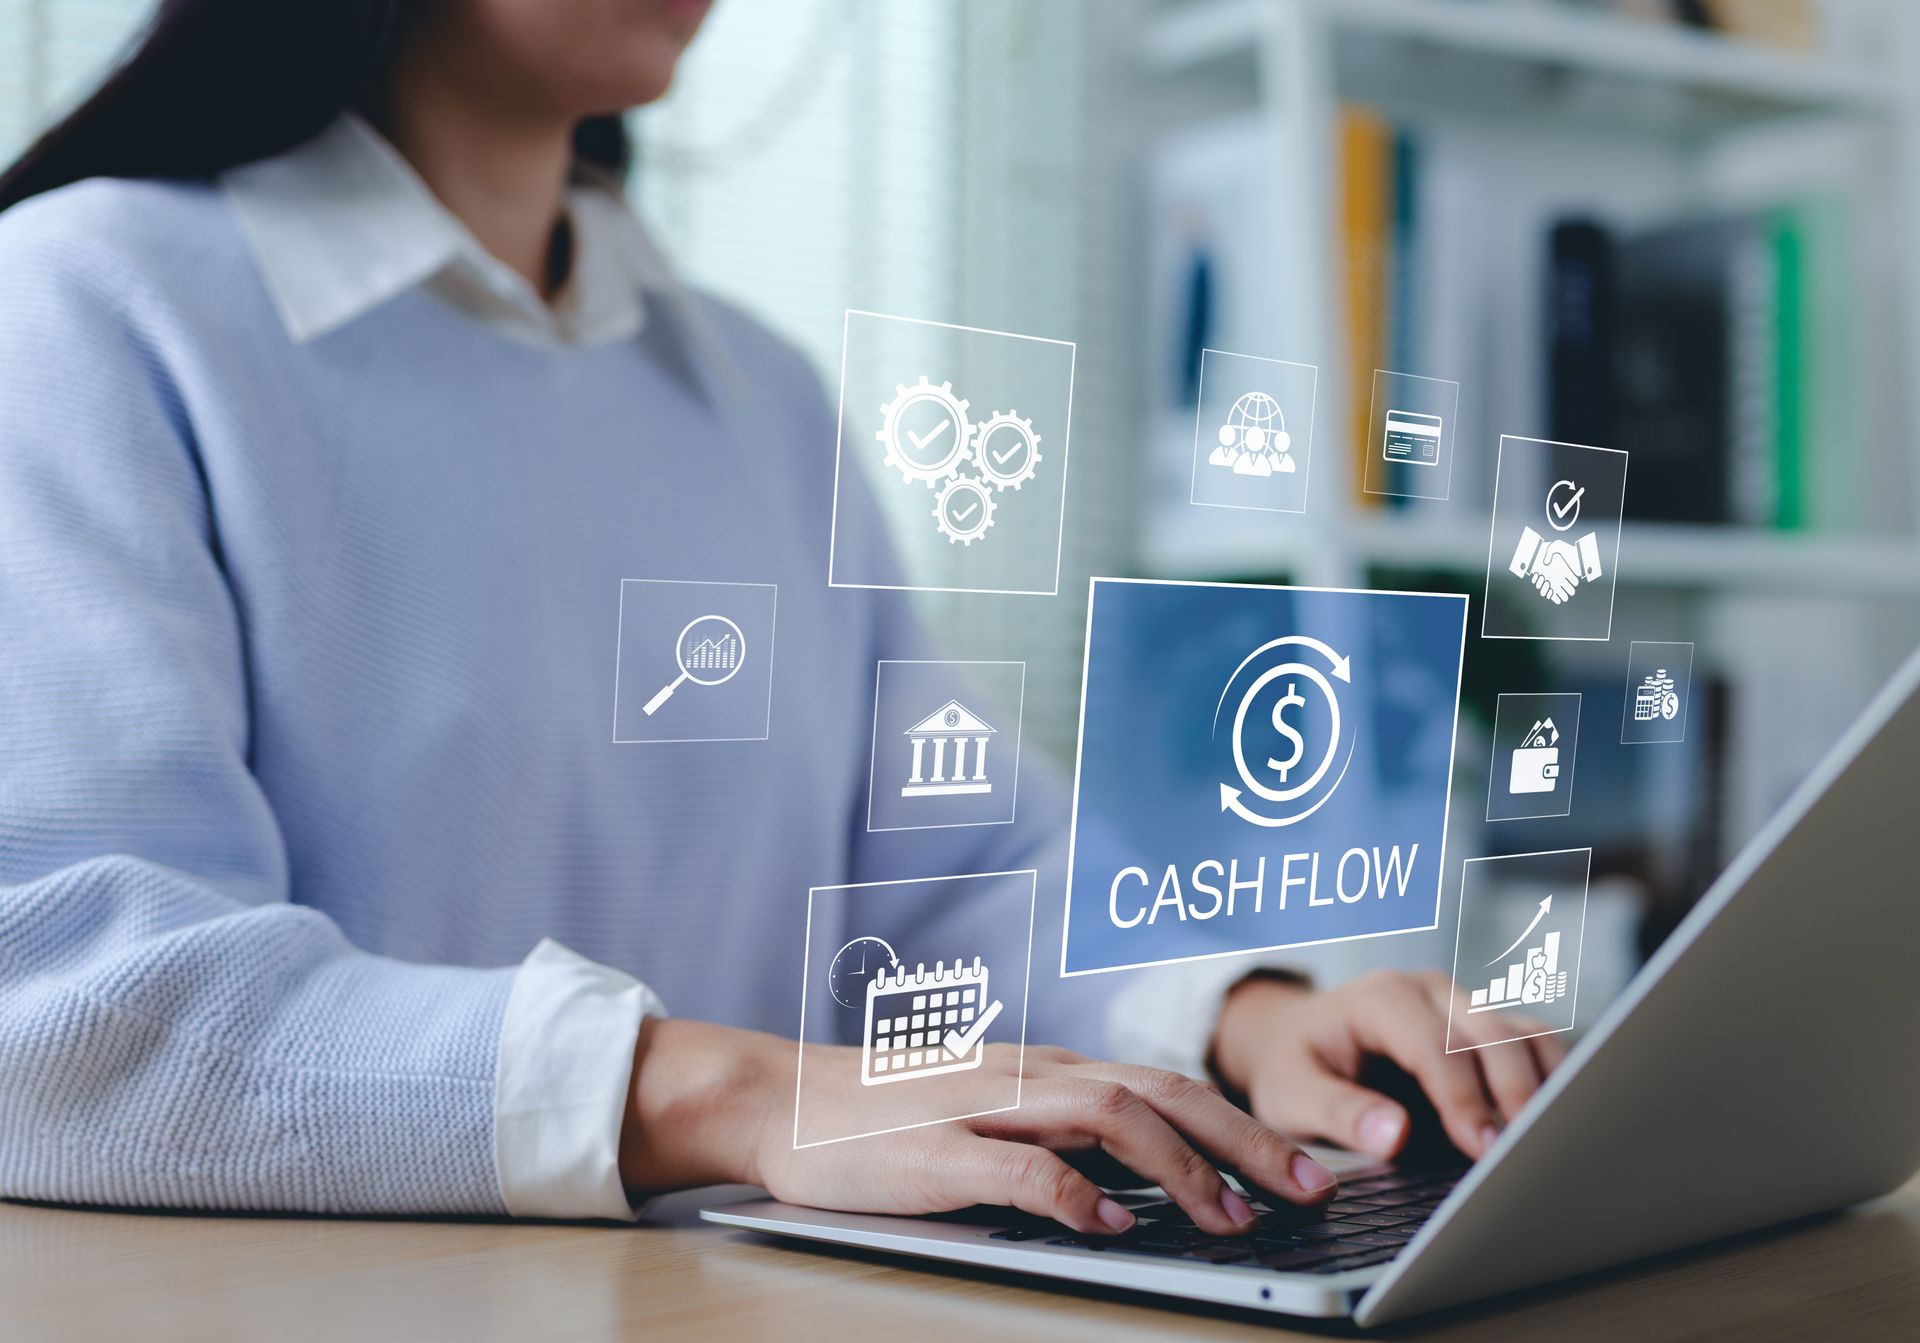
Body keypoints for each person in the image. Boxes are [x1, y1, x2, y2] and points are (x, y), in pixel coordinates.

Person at [0, 0, 1561, 1238]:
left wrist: (1242, 1020)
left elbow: (954, 870)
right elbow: (64, 1001)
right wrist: (728, 1092)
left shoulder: (757, 395)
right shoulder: (80, 310)